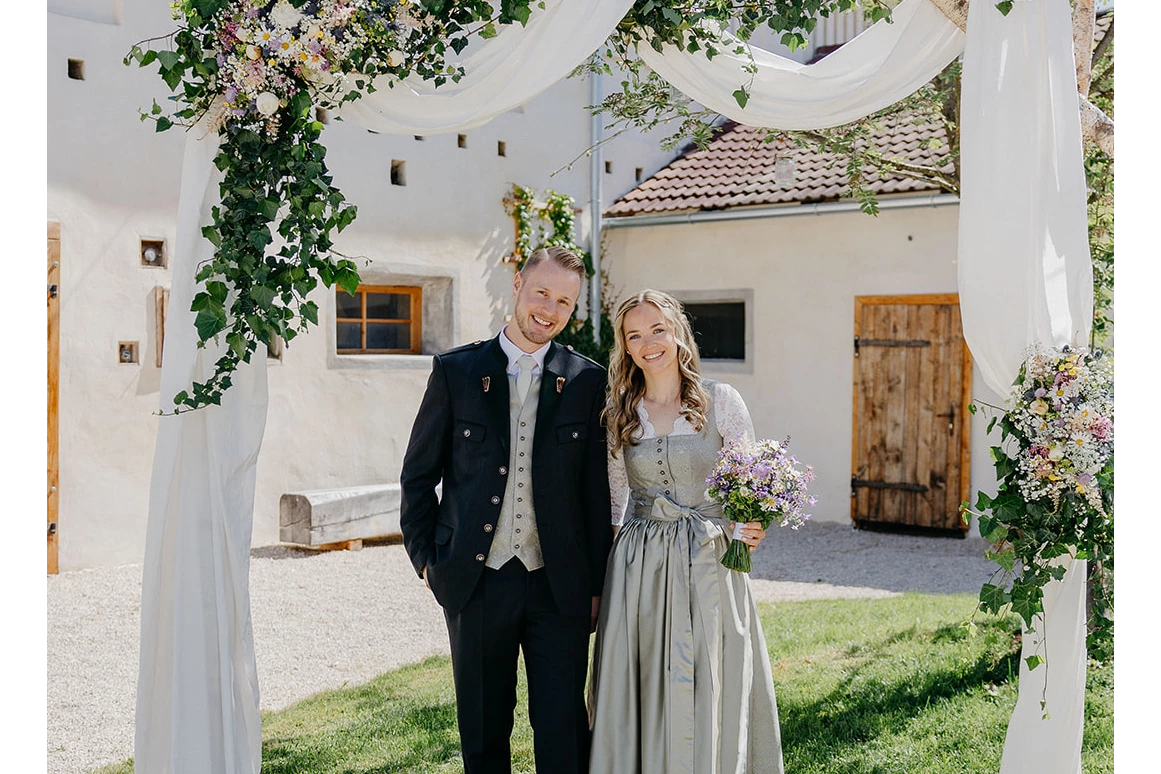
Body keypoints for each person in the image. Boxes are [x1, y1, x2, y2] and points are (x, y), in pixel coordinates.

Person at [399, 246, 614, 774]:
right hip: (475, 583)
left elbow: (595, 495)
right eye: (542, 292)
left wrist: (595, 587)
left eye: (564, 301)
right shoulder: (457, 371)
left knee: (564, 731)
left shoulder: (588, 381)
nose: (550, 308)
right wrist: (429, 560)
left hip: (558, 588)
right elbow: (418, 477)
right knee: (482, 731)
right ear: (517, 284)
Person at [587, 289, 785, 774]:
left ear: (677, 332)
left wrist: (752, 526)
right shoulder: (619, 412)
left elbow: (748, 483)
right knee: (647, 674)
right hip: (640, 568)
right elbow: (616, 502)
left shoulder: (720, 400)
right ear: (626, 348)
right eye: (635, 336)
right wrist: (604, 587)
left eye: (657, 329)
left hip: (711, 557)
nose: (648, 342)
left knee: (711, 671)